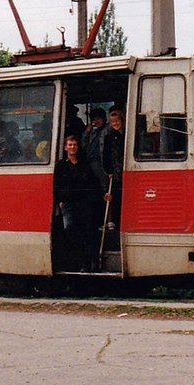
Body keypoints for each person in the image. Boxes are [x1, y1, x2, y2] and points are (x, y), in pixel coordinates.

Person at [53, 133, 101, 271]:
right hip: (68, 203)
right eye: (70, 145)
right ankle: (78, 261)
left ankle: (87, 264)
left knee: (86, 231)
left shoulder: (84, 164)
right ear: (65, 148)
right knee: (69, 230)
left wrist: (101, 195)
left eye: (75, 145)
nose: (72, 147)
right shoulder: (61, 165)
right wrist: (59, 201)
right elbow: (56, 185)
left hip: (84, 203)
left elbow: (93, 182)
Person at [101, 107, 126, 249]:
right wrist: (108, 171)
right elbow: (105, 155)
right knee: (115, 197)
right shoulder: (109, 137)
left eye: (117, 121)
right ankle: (114, 221)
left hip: (125, 170)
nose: (115, 124)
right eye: (113, 122)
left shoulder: (127, 134)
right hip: (115, 172)